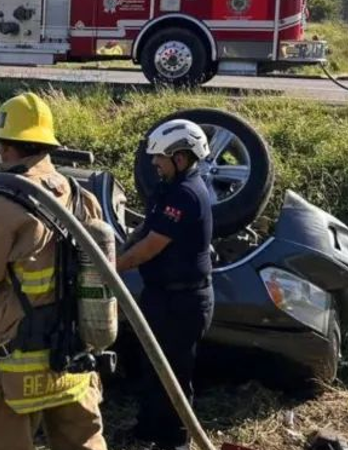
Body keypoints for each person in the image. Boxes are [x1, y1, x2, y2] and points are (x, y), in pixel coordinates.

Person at [0, 92, 108, 450]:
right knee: (84, 442)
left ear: (6, 147)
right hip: (72, 359)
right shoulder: (79, 196)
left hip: (15, 365)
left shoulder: (0, 206)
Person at [115, 119, 215, 448]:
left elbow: (152, 246)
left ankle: (175, 441)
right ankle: (148, 430)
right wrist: (122, 245)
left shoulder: (186, 194)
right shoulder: (169, 186)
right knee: (151, 366)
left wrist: (111, 267)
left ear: (181, 158)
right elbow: (146, 228)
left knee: (173, 374)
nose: (154, 163)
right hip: (161, 296)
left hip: (184, 302)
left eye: (159, 157)